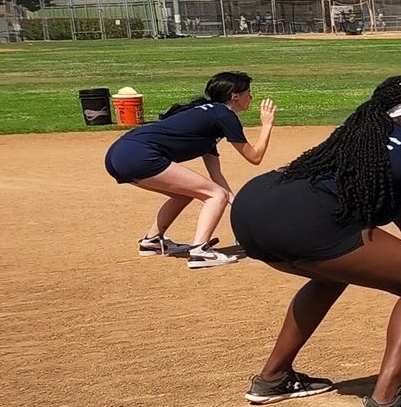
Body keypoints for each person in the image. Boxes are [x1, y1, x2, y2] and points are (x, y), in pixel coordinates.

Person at [228, 75, 401, 407]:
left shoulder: (363, 137)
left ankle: (273, 378)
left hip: (250, 210)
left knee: (332, 275)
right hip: (303, 223)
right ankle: (387, 399)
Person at [104, 69, 275, 267]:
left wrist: (238, 209)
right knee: (215, 195)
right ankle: (200, 251)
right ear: (235, 97)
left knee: (186, 193)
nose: (251, 97)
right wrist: (267, 125)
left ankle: (151, 242)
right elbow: (254, 157)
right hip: (140, 154)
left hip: (120, 153)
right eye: (248, 92)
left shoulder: (210, 118)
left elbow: (215, 175)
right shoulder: (224, 115)